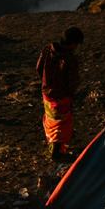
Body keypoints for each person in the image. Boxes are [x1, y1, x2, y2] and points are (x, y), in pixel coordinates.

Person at [36, 27, 83, 160]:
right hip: (61, 97)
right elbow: (72, 81)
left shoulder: (47, 49)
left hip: (47, 93)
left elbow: (39, 67)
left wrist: (46, 83)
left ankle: (55, 147)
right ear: (74, 43)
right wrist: (71, 95)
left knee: (51, 120)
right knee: (61, 124)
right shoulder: (70, 59)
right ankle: (56, 153)